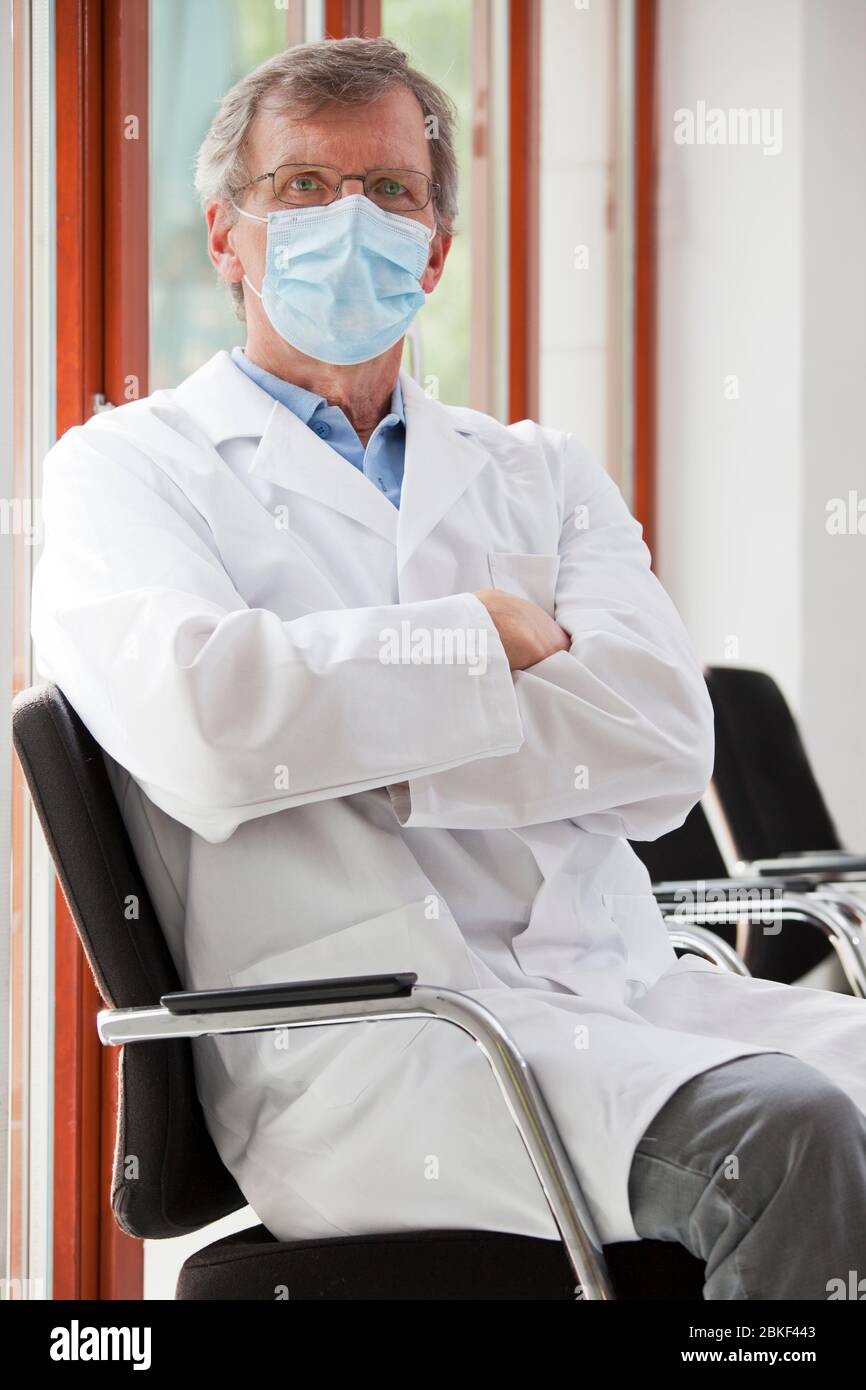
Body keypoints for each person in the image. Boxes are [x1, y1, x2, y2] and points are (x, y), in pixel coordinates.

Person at [31, 37, 866, 1299]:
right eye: (303, 188)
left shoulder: (537, 471)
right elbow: (210, 730)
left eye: (391, 191)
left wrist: (358, 738)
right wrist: (487, 637)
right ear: (225, 236)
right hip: (384, 1041)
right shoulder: (127, 471)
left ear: (433, 251)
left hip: (621, 989)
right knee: (779, 1138)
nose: (348, 220)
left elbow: (655, 750)